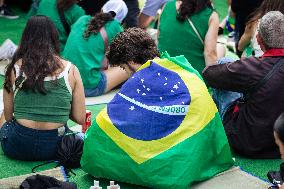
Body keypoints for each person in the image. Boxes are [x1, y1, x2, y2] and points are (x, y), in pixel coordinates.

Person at [80, 28, 233, 188]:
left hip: (166, 168)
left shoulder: (143, 76)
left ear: (131, 62)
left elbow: (110, 122)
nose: (126, 74)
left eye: (124, 68)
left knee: (99, 137)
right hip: (198, 155)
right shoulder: (183, 69)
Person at [0, 16, 85, 161]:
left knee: (2, 115)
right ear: (54, 38)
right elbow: (80, 117)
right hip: (57, 148)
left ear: (26, 37)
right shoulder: (71, 70)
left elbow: (8, 117)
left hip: (18, 146)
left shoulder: (14, 69)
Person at [203, 11, 284, 158]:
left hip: (248, 143)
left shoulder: (253, 67)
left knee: (224, 62)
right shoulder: (253, 67)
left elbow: (209, 74)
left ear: (259, 40)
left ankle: (211, 134)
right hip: (279, 146)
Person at [63, 0, 129, 97]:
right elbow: (125, 56)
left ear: (102, 9)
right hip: (89, 87)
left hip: (66, 83)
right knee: (131, 64)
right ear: (121, 20)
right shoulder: (115, 26)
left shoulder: (82, 19)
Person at [158, 0, 219, 74]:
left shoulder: (167, 6)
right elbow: (210, 54)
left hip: (161, 72)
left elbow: (159, 39)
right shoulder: (211, 15)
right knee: (221, 49)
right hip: (193, 79)